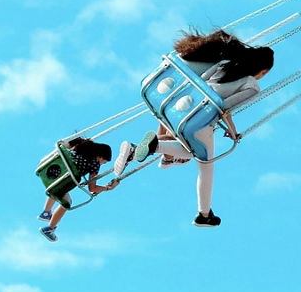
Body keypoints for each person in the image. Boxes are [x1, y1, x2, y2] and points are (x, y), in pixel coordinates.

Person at [115, 29, 273, 227]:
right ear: (264, 71)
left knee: (189, 153)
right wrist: (233, 133)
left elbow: (203, 81)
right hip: (199, 122)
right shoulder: (252, 86)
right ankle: (204, 215)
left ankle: (147, 149)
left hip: (181, 108)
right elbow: (225, 108)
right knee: (206, 166)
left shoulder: (225, 64)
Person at [37, 137, 118, 242]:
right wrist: (108, 188)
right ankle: (50, 228)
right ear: (101, 156)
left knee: (58, 186)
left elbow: (62, 144)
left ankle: (46, 212)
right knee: (67, 202)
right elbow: (92, 188)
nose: (101, 164)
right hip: (61, 182)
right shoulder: (95, 164)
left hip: (49, 172)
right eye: (104, 162)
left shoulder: (79, 147)